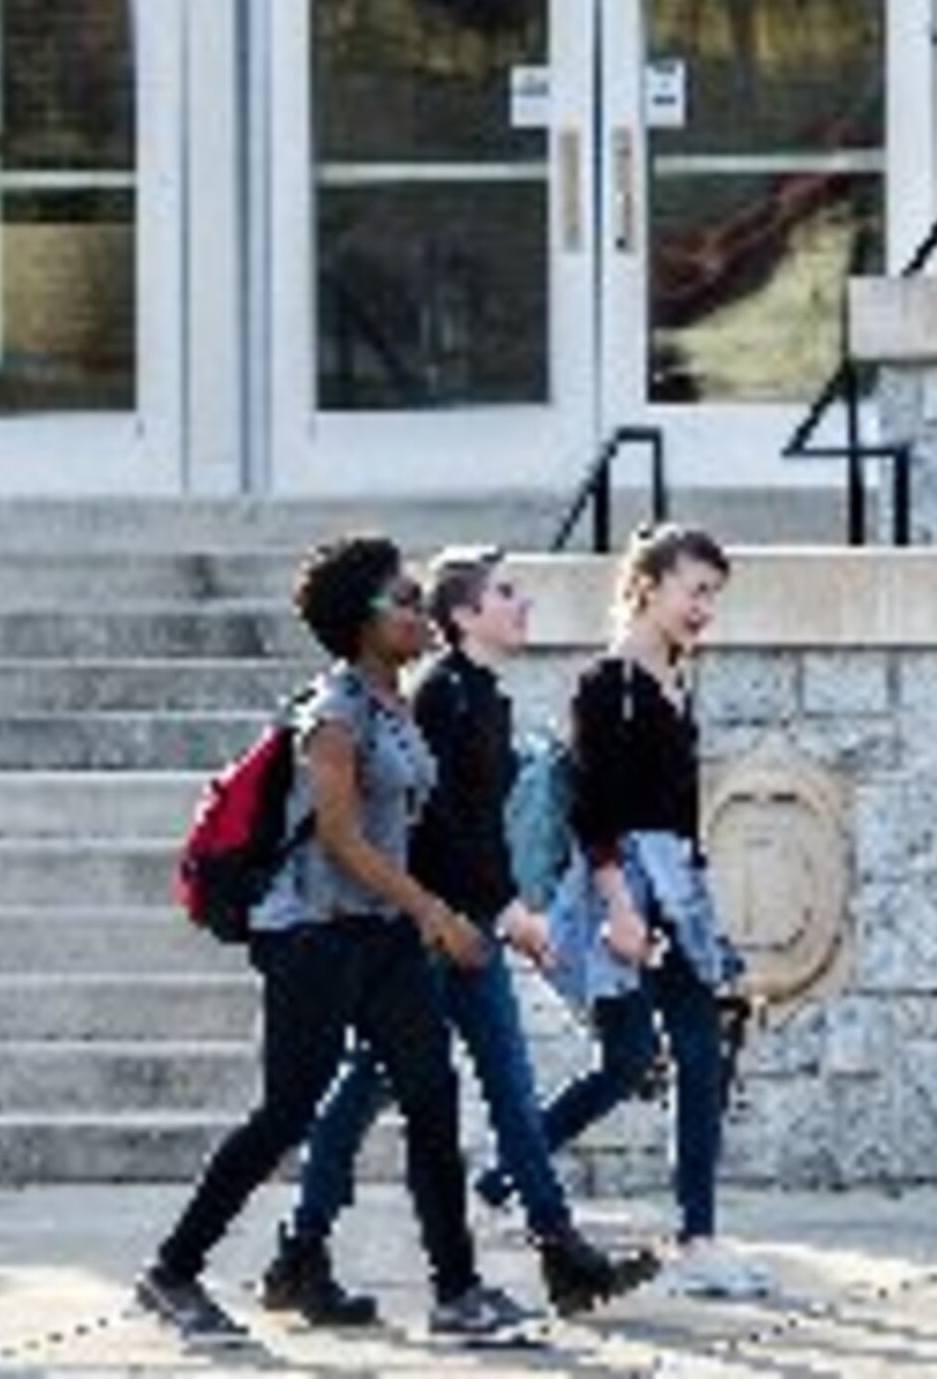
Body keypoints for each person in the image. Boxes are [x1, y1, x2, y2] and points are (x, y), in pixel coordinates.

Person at [136, 533, 536, 1351]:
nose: (421, 610)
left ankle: (457, 1292)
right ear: (363, 620)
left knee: (432, 1097)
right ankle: (173, 1271)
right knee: (288, 1111)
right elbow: (345, 839)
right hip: (312, 936)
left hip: (380, 935)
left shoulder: (396, 701)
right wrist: (437, 915)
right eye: (405, 599)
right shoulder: (334, 715)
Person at [282, 546, 656, 1323]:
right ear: (463, 615)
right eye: (507, 593)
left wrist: (504, 905)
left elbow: (479, 827)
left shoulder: (483, 696)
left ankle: (560, 1253)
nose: (524, 605)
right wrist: (496, 911)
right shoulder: (447, 696)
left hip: (466, 925)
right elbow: (439, 826)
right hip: (431, 931)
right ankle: (304, 1247)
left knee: (495, 1090)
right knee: (371, 1089)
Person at [511, 524, 769, 1300]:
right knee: (694, 1051)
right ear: (648, 585)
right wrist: (623, 911)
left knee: (633, 1062)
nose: (704, 608)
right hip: (625, 886)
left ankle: (501, 1179)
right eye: (695, 590)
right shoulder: (609, 683)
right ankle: (696, 1239)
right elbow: (596, 813)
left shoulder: (672, 679)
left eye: (713, 595)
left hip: (675, 885)